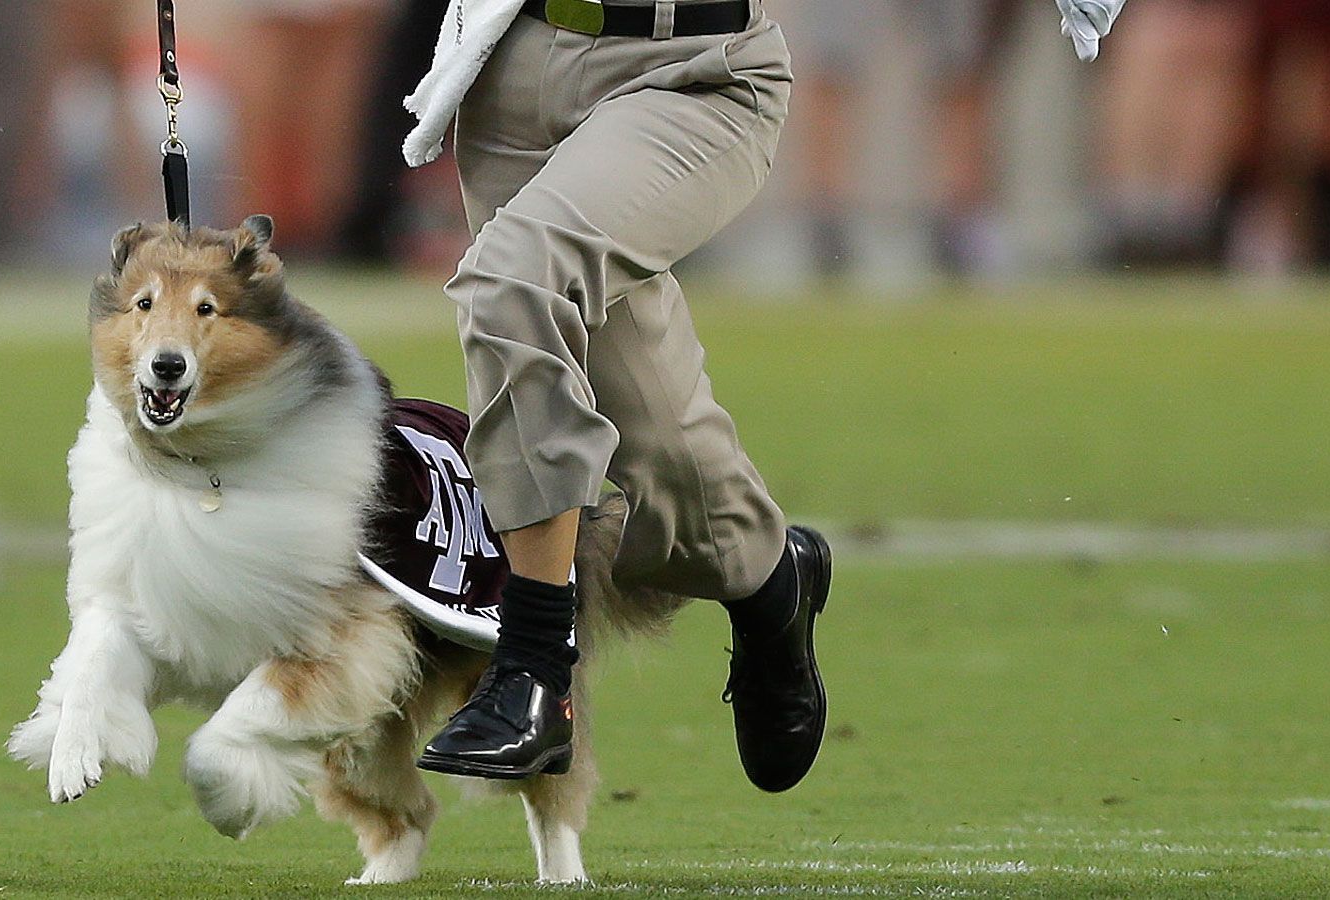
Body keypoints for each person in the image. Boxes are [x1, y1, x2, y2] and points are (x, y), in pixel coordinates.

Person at [403, 0, 1124, 789]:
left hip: (692, 68)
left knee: (514, 279)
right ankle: (768, 575)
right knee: (653, 418)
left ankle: (535, 664)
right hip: (515, 63)